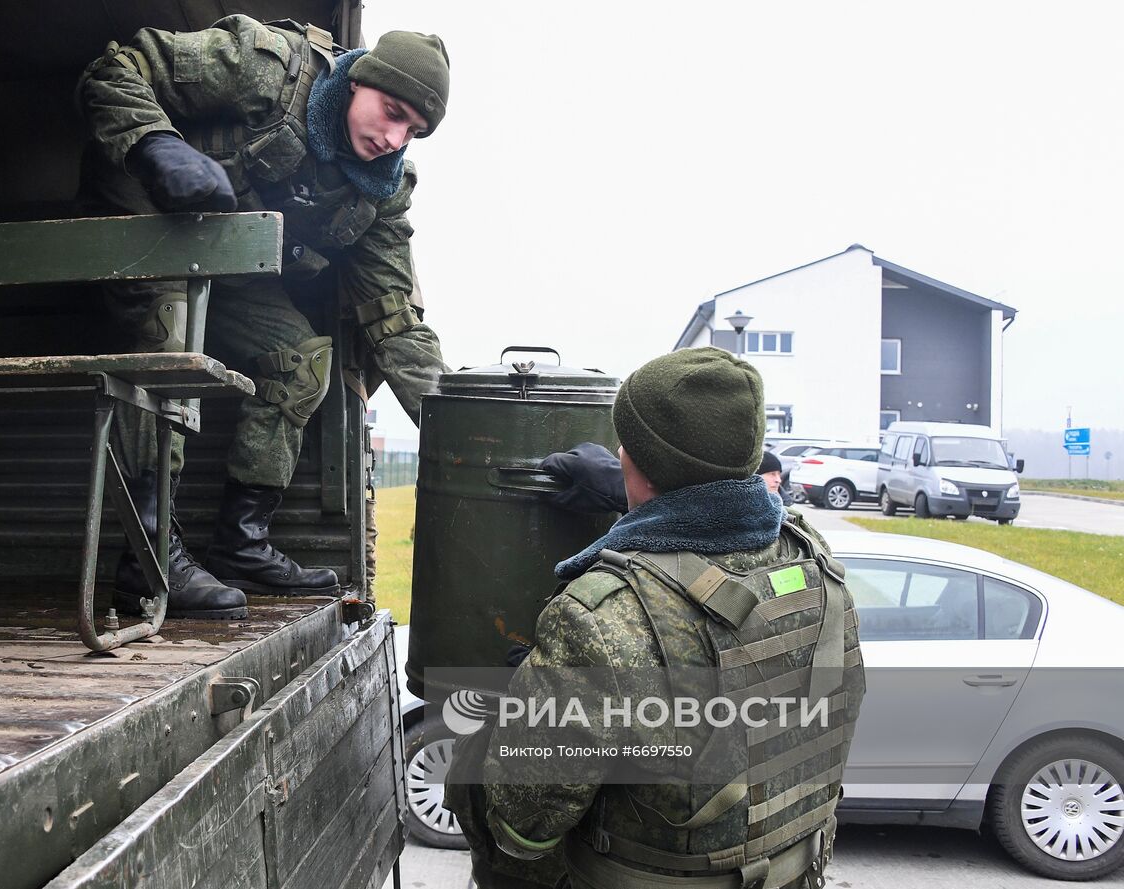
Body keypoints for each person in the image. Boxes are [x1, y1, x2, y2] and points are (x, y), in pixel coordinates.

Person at [447, 347, 865, 889]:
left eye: (627, 446)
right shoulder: (811, 556)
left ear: (638, 461)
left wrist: (514, 717)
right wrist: (638, 500)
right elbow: (728, 520)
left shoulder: (599, 616)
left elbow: (522, 826)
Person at [77, 16, 451, 616]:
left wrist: (452, 422)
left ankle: (240, 543)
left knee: (300, 359)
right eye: (391, 109)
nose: (395, 137)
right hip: (145, 220)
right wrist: (156, 145)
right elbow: (119, 66)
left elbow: (392, 314)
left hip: (226, 258)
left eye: (414, 129)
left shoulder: (381, 190)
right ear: (359, 80)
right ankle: (145, 557)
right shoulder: (270, 68)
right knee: (171, 338)